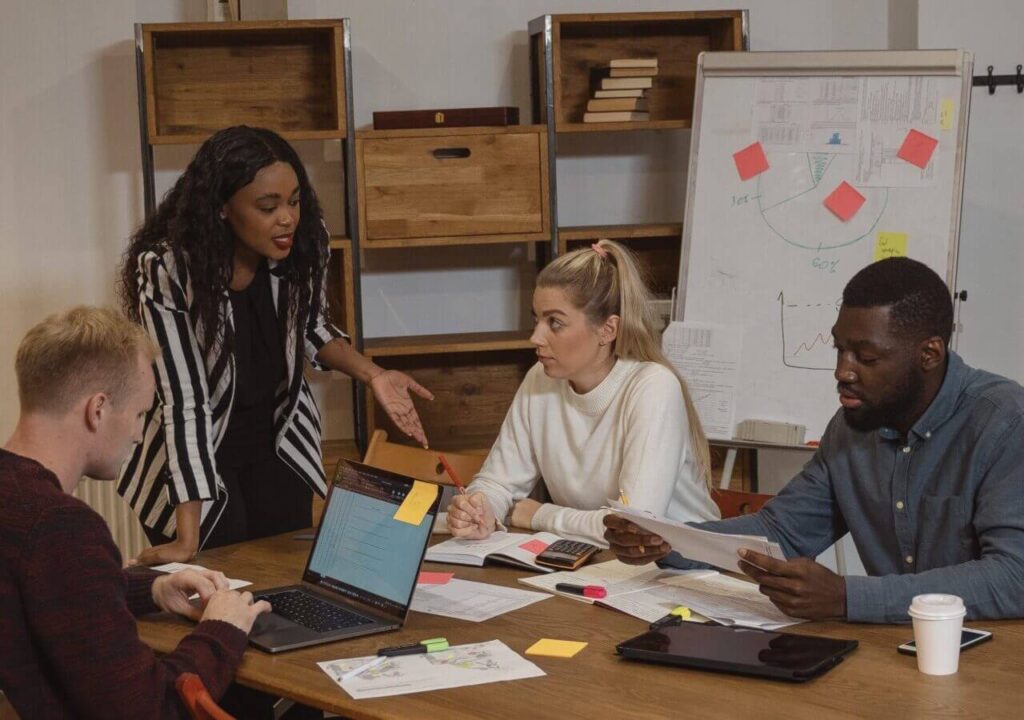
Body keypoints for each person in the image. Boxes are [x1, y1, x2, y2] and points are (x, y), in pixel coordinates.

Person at [604, 257, 1024, 623]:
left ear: (929, 354)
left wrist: (846, 598)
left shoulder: (1005, 423)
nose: (843, 371)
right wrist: (667, 541)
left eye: (867, 357)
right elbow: (779, 531)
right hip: (896, 655)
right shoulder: (851, 428)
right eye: (839, 349)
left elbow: (1015, 576)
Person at [119, 125, 433, 565]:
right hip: (192, 455)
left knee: (281, 579)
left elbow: (312, 328)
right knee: (217, 586)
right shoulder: (169, 268)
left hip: (275, 441)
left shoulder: (303, 242)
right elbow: (184, 401)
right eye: (268, 206)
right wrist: (186, 537)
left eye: (294, 200)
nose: (287, 217)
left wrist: (374, 375)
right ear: (222, 209)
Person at [0, 307, 270, 718]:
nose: (140, 434)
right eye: (141, 414)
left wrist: (152, 590)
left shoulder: (15, 500)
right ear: (98, 409)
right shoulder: (60, 527)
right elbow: (150, 709)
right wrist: (222, 629)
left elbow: (58, 595)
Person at [447, 239, 720, 545]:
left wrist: (539, 515)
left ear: (607, 330)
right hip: (604, 562)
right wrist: (481, 507)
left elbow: (633, 525)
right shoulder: (540, 378)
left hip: (689, 570)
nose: (536, 337)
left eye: (555, 323)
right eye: (536, 320)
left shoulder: (654, 387)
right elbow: (499, 481)